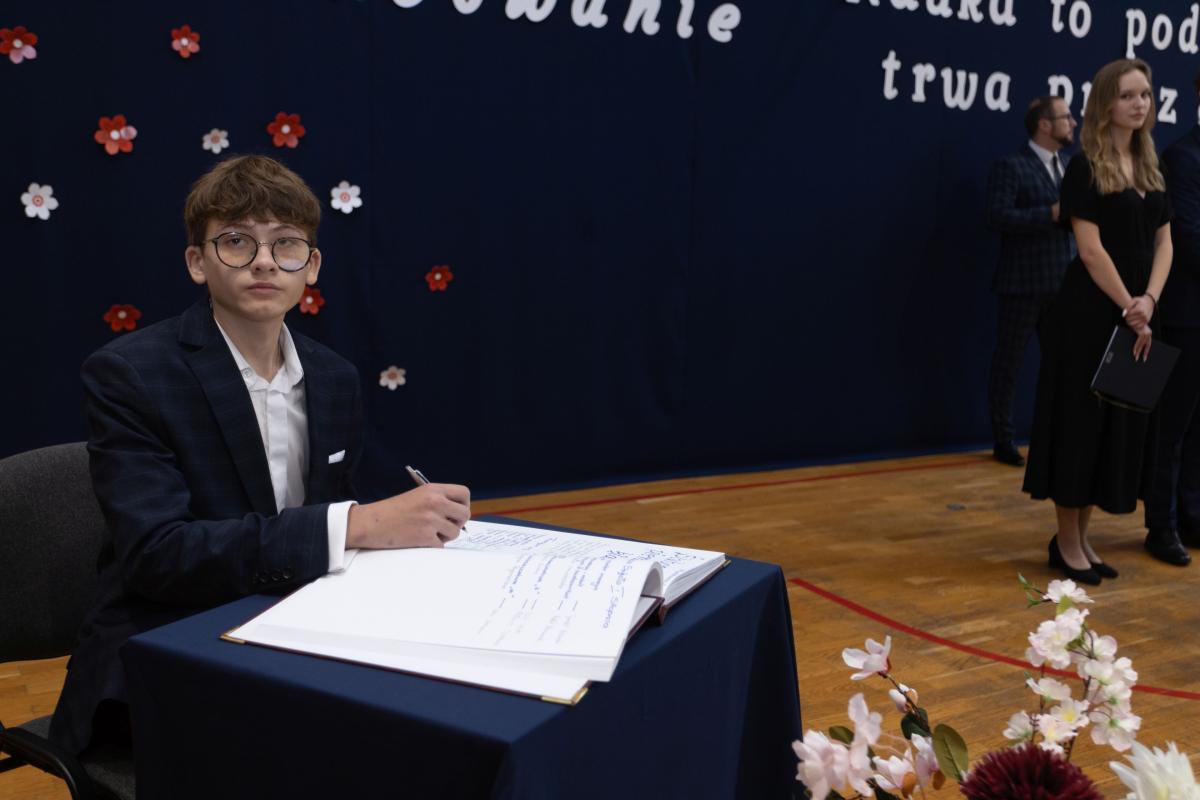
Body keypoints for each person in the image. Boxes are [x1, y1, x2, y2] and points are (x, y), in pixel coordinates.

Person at [49, 155, 472, 756]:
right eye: (236, 242)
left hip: (295, 623)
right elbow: (157, 557)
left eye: (286, 244)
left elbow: (324, 523)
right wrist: (358, 524)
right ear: (197, 262)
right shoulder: (129, 373)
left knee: (432, 716)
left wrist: (388, 533)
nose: (265, 261)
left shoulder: (335, 377)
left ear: (312, 266)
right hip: (165, 645)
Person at [1023, 58, 1173, 584]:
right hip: (1090, 314)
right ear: (1106, 104)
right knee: (1079, 428)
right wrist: (1131, 305)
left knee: (1111, 430)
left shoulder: (1151, 165)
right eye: (1128, 95)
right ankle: (1066, 543)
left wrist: (1149, 300)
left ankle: (1082, 539)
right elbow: (1090, 251)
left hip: (1138, 316)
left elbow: (1165, 243)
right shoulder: (1086, 166)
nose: (1139, 104)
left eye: (1145, 94)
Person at [985, 96, 1078, 467]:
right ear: (1044, 124)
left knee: (1061, 366)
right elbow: (997, 216)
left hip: (1064, 284)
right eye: (1066, 117)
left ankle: (1054, 435)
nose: (1073, 123)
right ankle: (1003, 438)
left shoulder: (1070, 167)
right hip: (1023, 284)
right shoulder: (1012, 166)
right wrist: (1048, 214)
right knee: (1008, 365)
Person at [1143, 69, 1200, 566]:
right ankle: (1161, 525)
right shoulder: (1183, 157)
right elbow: (1189, 239)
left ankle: (1191, 515)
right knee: (1173, 426)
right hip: (1186, 313)